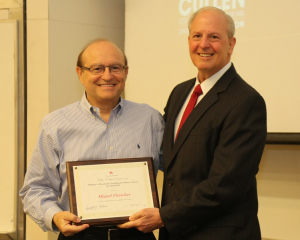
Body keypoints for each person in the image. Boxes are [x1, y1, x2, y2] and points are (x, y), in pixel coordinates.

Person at [118, 6, 267, 240]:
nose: (204, 44)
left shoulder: (246, 101)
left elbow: (225, 185)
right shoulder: (180, 93)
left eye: (214, 37)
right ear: (188, 40)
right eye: (197, 36)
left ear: (231, 44)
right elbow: (170, 159)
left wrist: (164, 217)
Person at [19, 39, 164, 240]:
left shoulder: (150, 119)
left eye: (115, 68)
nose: (107, 76)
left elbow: (180, 175)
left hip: (137, 236)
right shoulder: (55, 124)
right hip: (79, 236)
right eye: (97, 68)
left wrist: (166, 215)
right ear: (80, 73)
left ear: (126, 72)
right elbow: (35, 189)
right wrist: (55, 216)